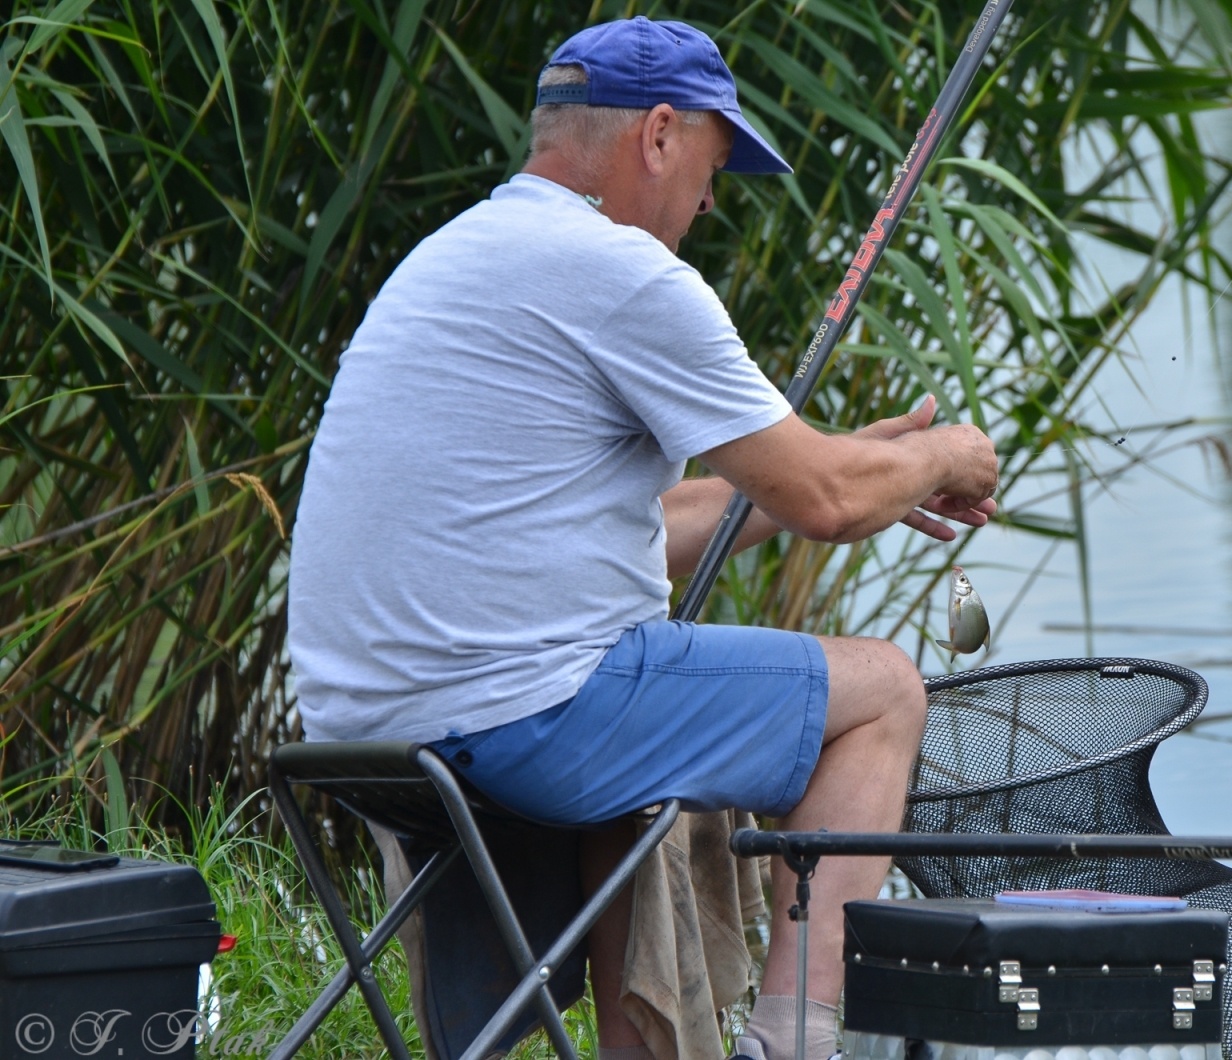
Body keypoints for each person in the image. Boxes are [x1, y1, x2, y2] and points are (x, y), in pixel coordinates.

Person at [287, 16, 998, 1060]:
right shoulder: (620, 271)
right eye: (713, 164)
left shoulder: (453, 257)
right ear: (659, 134)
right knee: (885, 688)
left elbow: (663, 523)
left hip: (353, 734)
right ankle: (795, 1043)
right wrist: (939, 457)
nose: (710, 201)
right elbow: (828, 503)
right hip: (513, 722)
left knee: (634, 773)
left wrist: (845, 468)